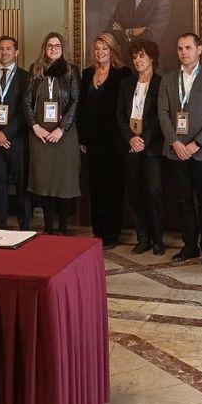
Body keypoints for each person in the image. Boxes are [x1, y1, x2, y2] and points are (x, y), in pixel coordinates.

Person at [158, 32, 202, 266]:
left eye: (188, 47)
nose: (183, 52)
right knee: (183, 201)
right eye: (180, 48)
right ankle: (189, 246)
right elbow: (163, 114)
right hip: (176, 152)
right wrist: (176, 142)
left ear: (199, 49)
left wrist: (196, 144)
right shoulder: (168, 79)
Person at [24, 32, 81, 234]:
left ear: (62, 48)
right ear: (44, 48)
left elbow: (75, 101)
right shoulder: (35, 69)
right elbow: (27, 102)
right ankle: (48, 228)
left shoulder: (71, 71)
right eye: (49, 46)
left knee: (62, 182)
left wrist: (61, 128)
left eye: (57, 46)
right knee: (44, 182)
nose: (53, 49)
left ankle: (63, 228)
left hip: (64, 135)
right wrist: (35, 126)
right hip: (40, 135)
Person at [79, 33, 129, 248]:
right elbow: (81, 108)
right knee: (95, 187)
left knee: (112, 188)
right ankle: (98, 231)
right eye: (97, 48)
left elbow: (124, 108)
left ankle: (112, 234)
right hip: (91, 141)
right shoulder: (87, 73)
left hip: (114, 141)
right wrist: (82, 137)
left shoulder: (122, 73)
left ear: (112, 50)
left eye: (104, 49)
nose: (100, 52)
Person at [116, 37, 165, 255]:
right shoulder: (126, 83)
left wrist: (143, 139)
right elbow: (119, 114)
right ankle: (142, 238)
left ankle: (157, 240)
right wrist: (130, 138)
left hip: (151, 148)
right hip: (130, 147)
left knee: (153, 193)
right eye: (134, 57)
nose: (137, 60)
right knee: (134, 193)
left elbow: (159, 117)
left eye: (141, 56)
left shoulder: (161, 83)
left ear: (152, 58)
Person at [0, 36, 32, 230]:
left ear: (16, 52)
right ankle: (0, 226)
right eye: (1, 48)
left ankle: (24, 227)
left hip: (16, 141)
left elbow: (24, 111)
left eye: (8, 49)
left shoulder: (26, 77)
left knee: (21, 187)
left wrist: (6, 134)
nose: (4, 52)